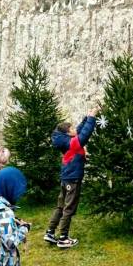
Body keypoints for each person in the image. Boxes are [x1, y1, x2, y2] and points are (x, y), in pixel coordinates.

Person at [44, 107, 99, 249]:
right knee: (69, 208)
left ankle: (50, 232)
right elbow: (84, 134)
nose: (75, 129)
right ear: (68, 133)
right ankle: (63, 238)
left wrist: (86, 117)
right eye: (72, 128)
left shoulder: (67, 141)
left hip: (66, 178)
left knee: (61, 206)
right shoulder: (72, 143)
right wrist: (92, 118)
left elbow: (79, 130)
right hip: (73, 179)